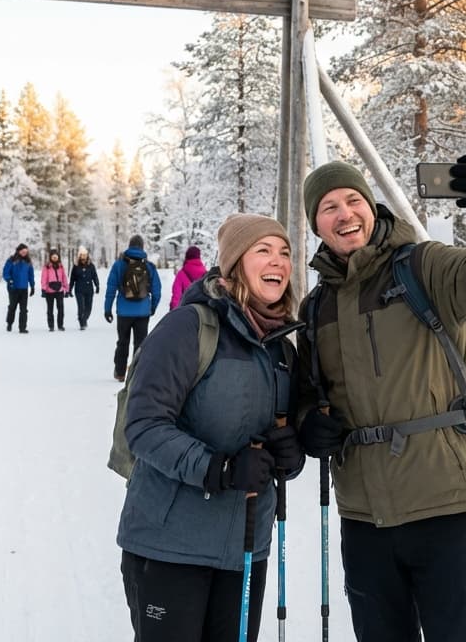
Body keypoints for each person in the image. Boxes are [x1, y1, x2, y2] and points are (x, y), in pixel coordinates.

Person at [295, 157, 466, 642]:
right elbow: (307, 393)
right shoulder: (317, 307)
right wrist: (307, 423)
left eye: (353, 200)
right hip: (364, 517)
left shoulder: (424, 267)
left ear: (372, 208)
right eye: (329, 207)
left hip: (446, 505)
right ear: (316, 224)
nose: (344, 214)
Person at [117, 214, 304, 642]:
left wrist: (290, 455)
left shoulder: (282, 349)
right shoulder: (189, 328)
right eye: (263, 250)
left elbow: (277, 446)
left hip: (246, 548)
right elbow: (144, 425)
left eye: (285, 252)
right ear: (236, 263)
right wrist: (217, 469)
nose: (277, 261)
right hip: (170, 545)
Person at [104, 234, 162, 382]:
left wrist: (108, 308)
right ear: (142, 247)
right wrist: (152, 307)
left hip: (124, 311)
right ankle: (137, 374)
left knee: (122, 341)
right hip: (143, 312)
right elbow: (157, 290)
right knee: (140, 343)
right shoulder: (149, 266)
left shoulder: (119, 265)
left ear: (129, 246)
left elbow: (111, 288)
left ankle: (120, 372)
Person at [2, 243, 35, 333]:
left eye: (26, 252)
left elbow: (31, 275)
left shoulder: (28, 262)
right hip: (13, 288)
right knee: (12, 307)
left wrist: (32, 286)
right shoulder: (11, 260)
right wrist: (9, 280)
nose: (24, 253)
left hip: (24, 288)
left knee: (24, 309)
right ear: (19, 251)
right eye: (23, 251)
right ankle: (9, 323)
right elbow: (5, 272)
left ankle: (22, 327)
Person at [69, 247, 99, 330]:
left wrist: (97, 285)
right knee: (81, 307)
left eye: (85, 255)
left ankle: (84, 319)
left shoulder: (91, 266)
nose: (83, 256)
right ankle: (81, 322)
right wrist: (69, 289)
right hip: (79, 289)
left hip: (89, 289)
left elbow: (95, 276)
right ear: (79, 256)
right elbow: (72, 279)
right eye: (82, 255)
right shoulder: (76, 266)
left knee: (88, 308)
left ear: (87, 256)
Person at [169, 245, 207, 311]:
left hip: (186, 312)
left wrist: (173, 311)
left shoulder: (182, 273)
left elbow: (176, 295)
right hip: (202, 313)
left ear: (187, 256)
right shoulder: (206, 274)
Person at [40, 250, 69, 332]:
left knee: (61, 309)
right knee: (50, 309)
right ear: (50, 257)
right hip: (49, 291)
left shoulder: (61, 267)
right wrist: (43, 289)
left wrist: (67, 289)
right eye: (53, 257)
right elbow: (44, 278)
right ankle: (51, 326)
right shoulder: (47, 267)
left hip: (59, 290)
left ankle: (60, 325)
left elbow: (64, 278)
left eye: (56, 257)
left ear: (58, 257)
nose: (55, 258)